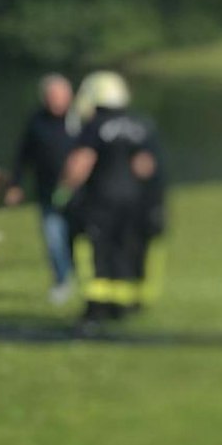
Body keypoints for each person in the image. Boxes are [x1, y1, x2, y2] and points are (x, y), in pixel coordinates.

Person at [59, 72, 164, 327]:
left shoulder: (96, 126)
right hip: (134, 203)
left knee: (95, 253)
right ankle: (123, 305)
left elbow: (82, 162)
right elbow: (145, 167)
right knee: (124, 251)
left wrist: (63, 190)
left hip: (101, 202)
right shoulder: (139, 125)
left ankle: (96, 308)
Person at [6, 74, 79, 304]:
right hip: (48, 193)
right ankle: (62, 282)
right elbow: (23, 155)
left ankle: (81, 278)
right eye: (51, 96)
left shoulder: (80, 122)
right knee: (54, 239)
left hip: (80, 195)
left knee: (76, 240)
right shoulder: (36, 122)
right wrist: (15, 184)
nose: (56, 101)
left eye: (60, 96)